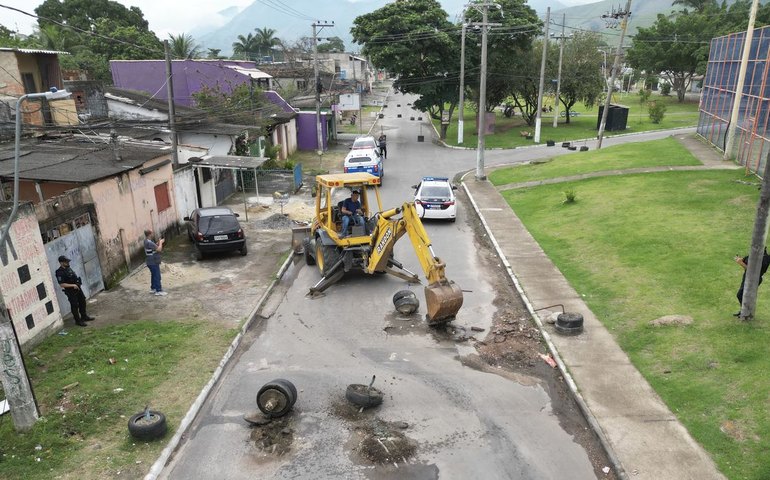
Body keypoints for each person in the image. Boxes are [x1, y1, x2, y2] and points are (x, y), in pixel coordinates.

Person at [55, 255, 94, 326]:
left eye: (68, 261)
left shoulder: (68, 268)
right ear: (61, 263)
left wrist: (77, 283)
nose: (68, 263)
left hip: (77, 288)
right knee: (74, 305)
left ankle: (84, 316)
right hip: (71, 291)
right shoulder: (59, 272)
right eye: (66, 262)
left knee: (82, 301)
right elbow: (62, 284)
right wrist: (73, 285)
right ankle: (78, 321)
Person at [734, 246, 770, 316]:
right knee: (743, 295)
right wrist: (740, 259)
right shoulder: (754, 255)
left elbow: (753, 272)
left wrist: (741, 263)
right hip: (746, 277)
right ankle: (744, 311)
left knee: (741, 295)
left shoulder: (764, 260)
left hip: (754, 280)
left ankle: (746, 312)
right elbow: (746, 259)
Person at [144, 229, 168, 296]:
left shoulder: (146, 241)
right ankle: (159, 290)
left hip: (149, 261)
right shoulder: (149, 242)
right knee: (157, 276)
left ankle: (153, 288)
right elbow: (159, 249)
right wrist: (160, 243)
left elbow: (154, 247)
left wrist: (158, 243)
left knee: (153, 275)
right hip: (153, 261)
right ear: (150, 234)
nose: (153, 234)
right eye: (152, 233)